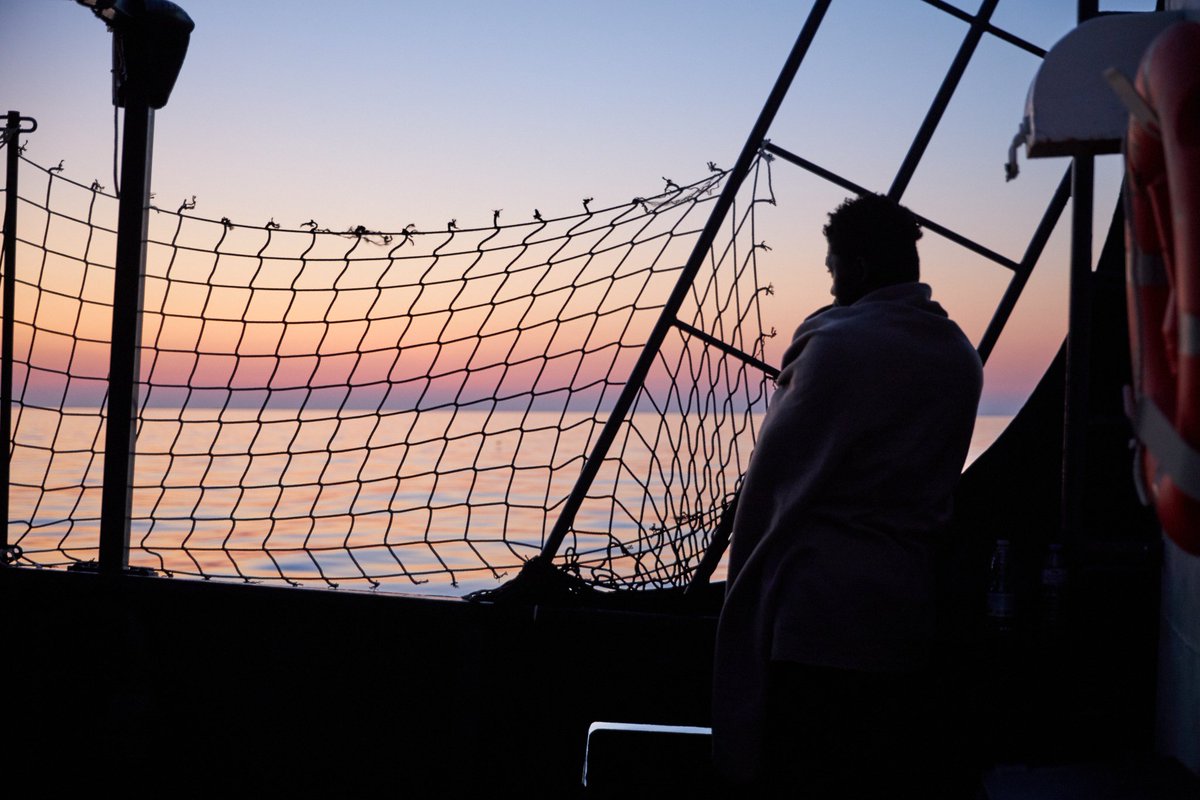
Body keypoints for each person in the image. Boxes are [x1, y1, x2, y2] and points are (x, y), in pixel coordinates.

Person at [712, 193, 983, 797]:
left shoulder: (837, 349)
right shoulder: (959, 355)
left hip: (817, 621)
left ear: (856, 269)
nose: (831, 286)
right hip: (906, 615)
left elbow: (775, 482)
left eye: (833, 269)